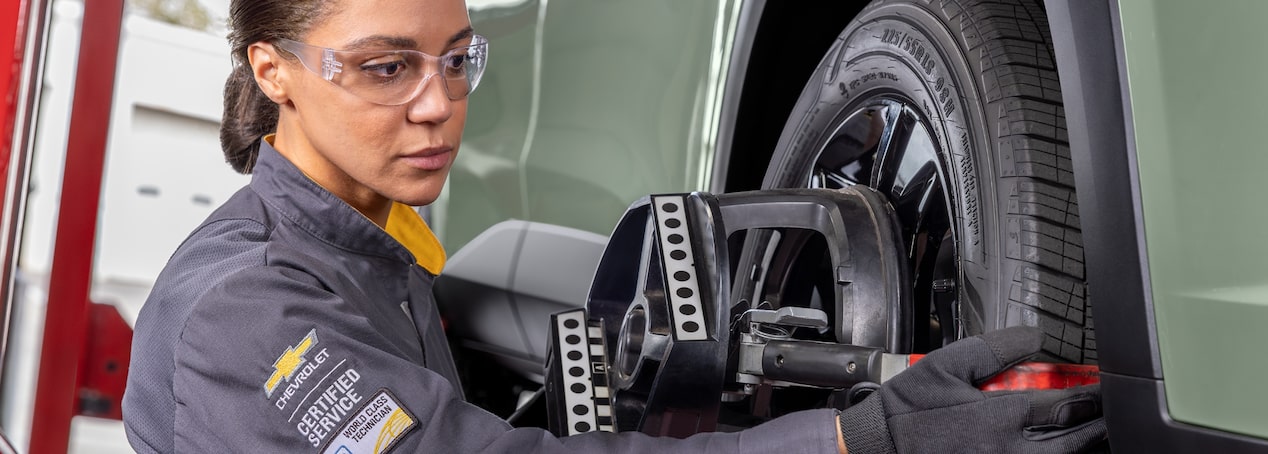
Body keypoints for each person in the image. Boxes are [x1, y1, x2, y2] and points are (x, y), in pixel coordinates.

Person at [121, 0, 1108, 452]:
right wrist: (851, 441)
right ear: (273, 72)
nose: (436, 105)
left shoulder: (354, 248)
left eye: (458, 58)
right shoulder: (248, 311)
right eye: (385, 66)